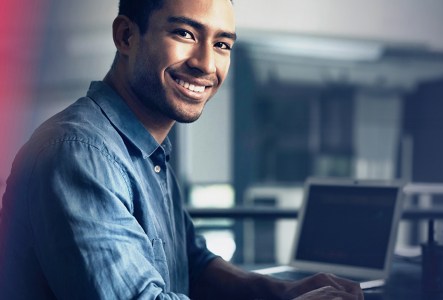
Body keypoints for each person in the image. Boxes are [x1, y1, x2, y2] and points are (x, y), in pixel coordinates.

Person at [0, 0, 363, 299]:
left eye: (222, 44)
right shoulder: (80, 153)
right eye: (185, 33)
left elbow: (192, 263)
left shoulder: (147, 151)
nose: (206, 63)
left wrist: (285, 291)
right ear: (126, 36)